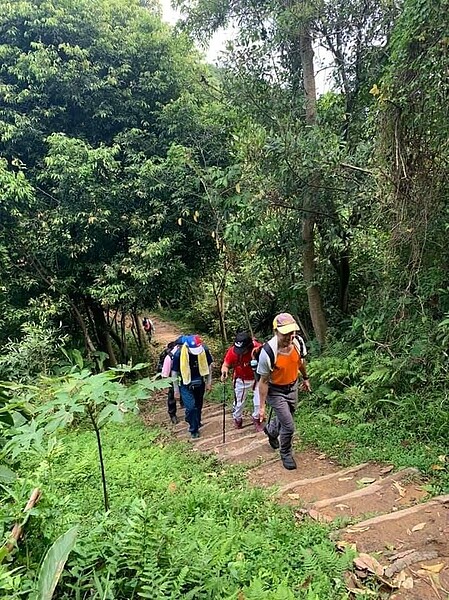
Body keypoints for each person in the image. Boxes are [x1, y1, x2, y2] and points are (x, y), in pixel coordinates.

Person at [257, 313, 311, 470]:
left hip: (292, 386)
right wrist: (261, 407)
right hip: (275, 391)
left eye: (292, 332)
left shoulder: (298, 342)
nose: (289, 337)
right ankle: (286, 453)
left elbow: (300, 362)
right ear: (276, 332)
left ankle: (271, 430)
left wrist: (305, 378)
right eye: (285, 333)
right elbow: (263, 381)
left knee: (288, 415)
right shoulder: (268, 352)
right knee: (288, 426)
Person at [171, 335, 213, 439]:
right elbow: (174, 372)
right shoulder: (179, 354)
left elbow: (209, 366)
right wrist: (176, 390)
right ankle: (193, 429)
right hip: (185, 384)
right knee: (190, 408)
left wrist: (209, 382)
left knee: (198, 406)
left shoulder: (204, 350)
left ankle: (197, 422)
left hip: (199, 382)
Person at [220, 331, 263, 432]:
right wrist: (224, 372)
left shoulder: (258, 348)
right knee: (239, 403)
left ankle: (257, 419)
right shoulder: (232, 352)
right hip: (241, 379)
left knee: (258, 402)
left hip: (257, 378)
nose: (241, 352)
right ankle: (237, 418)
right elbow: (225, 364)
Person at [160, 340, 184, 424]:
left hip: (182, 375)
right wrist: (165, 384)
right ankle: (172, 414)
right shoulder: (169, 357)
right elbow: (165, 373)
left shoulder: (184, 354)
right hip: (171, 378)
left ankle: (183, 403)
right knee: (172, 396)